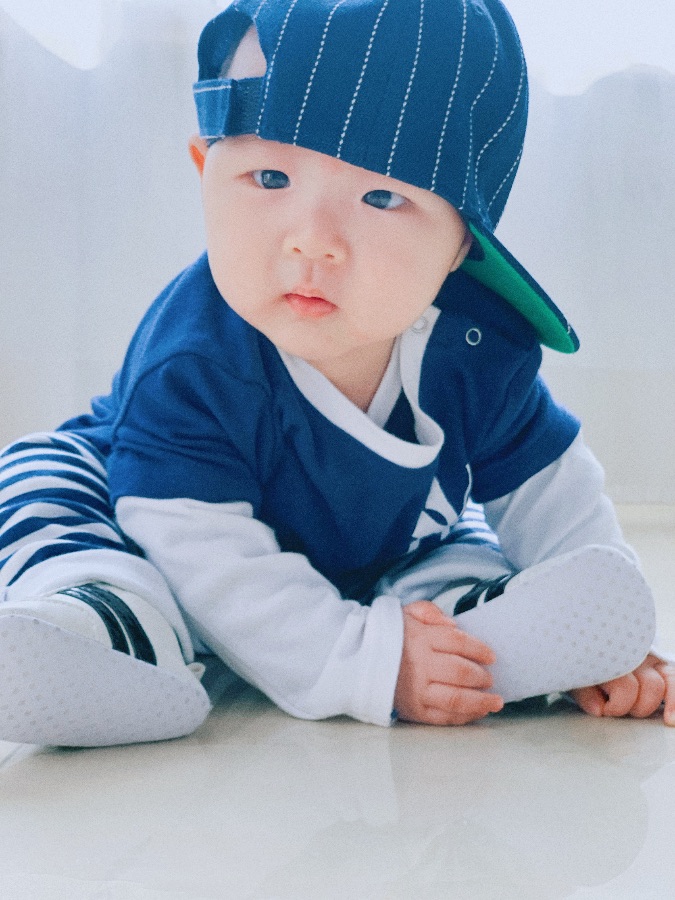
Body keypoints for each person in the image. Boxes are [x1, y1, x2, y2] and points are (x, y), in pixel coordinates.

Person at [0, 0, 672, 747]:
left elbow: (549, 488)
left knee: (455, 542)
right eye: (268, 177)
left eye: (383, 196)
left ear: (461, 245)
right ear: (205, 172)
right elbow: (204, 553)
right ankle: (102, 626)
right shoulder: (193, 359)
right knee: (44, 485)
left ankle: (471, 629)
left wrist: (617, 637)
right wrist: (357, 660)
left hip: (383, 548)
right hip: (158, 525)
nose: (313, 241)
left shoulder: (475, 344)